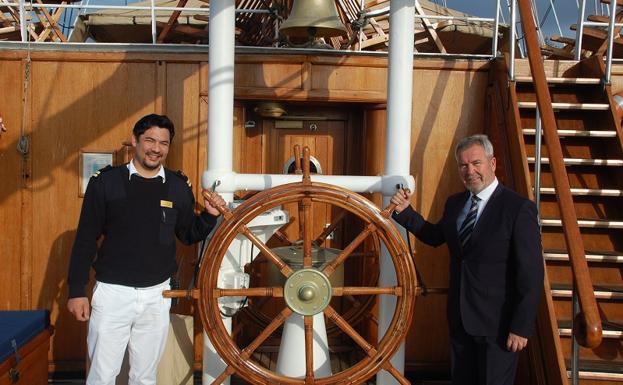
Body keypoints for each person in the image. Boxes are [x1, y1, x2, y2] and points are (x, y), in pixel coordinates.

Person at [67, 113, 225, 385]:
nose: (156, 148)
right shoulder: (105, 182)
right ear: (134, 141)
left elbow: (188, 235)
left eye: (163, 143)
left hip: (156, 295)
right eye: (150, 140)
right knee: (102, 376)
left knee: (145, 377)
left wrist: (209, 215)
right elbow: (85, 239)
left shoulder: (177, 187)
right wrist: (76, 291)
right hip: (112, 293)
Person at [391, 134, 543, 385]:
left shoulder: (518, 208)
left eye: (476, 163)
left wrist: (521, 326)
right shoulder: (455, 203)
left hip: (500, 326)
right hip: (461, 320)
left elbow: (532, 273)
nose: (469, 170)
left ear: (492, 164)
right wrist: (406, 213)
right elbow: (435, 236)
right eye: (463, 165)